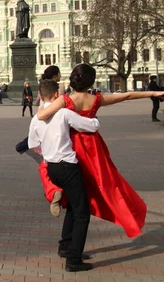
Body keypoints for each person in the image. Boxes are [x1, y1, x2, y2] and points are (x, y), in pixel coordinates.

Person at [36, 64, 164, 238]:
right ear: (90, 82)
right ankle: (123, 214)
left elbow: (42, 116)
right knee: (106, 182)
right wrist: (154, 93)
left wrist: (42, 105)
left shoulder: (66, 100)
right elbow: (127, 95)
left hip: (72, 146)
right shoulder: (96, 99)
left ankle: (61, 214)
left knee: (71, 189)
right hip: (93, 148)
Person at [28, 79, 100, 272]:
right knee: (82, 212)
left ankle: (66, 247)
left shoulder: (36, 119)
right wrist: (94, 117)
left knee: (73, 208)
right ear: (56, 96)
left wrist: (48, 152)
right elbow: (91, 126)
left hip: (52, 167)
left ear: (41, 96)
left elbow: (32, 144)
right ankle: (74, 259)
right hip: (68, 166)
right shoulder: (63, 113)